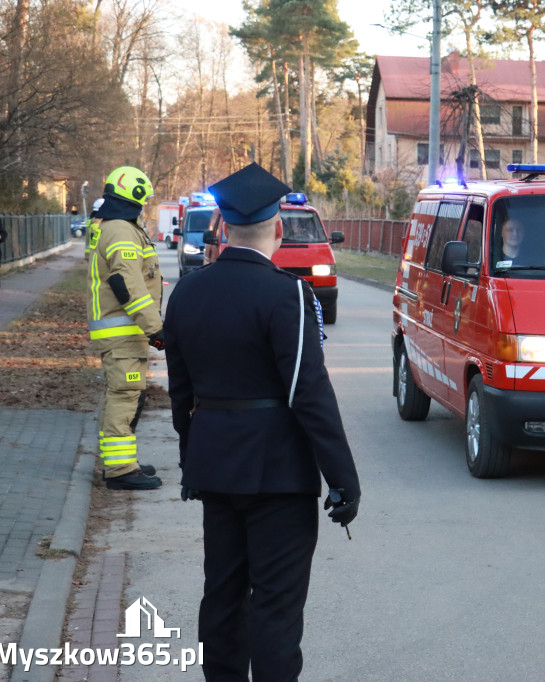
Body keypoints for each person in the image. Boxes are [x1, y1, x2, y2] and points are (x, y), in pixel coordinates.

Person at [164, 162, 361, 682]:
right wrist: (342, 479)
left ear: (223, 229)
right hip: (278, 475)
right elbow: (309, 393)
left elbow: (180, 392)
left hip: (216, 468)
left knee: (222, 598)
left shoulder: (186, 292)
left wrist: (194, 458)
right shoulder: (288, 294)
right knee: (275, 608)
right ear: (278, 229)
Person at [88, 167, 164, 490]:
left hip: (124, 334)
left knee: (128, 395)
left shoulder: (119, 227)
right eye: (143, 199)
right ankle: (120, 471)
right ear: (134, 196)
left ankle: (121, 461)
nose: (145, 205)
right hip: (123, 333)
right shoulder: (120, 230)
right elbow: (127, 284)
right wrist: (156, 328)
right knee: (124, 395)